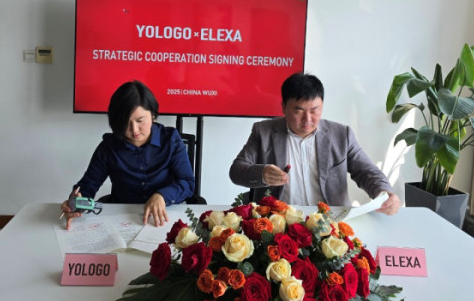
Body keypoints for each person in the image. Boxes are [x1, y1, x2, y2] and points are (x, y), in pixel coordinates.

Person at [229, 73, 400, 215]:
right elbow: (236, 171)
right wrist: (263, 174)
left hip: (331, 222)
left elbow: (366, 171)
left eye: (314, 110)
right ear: (283, 107)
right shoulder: (263, 132)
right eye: (299, 111)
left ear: (322, 106)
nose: (307, 119)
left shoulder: (341, 135)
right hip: (278, 224)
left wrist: (385, 193)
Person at [61, 81, 195, 229]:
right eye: (126, 123)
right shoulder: (109, 147)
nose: (134, 130)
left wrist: (163, 195)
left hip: (164, 217)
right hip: (122, 220)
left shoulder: (171, 139)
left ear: (153, 115)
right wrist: (76, 201)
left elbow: (187, 183)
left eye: (140, 121)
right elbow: (88, 186)